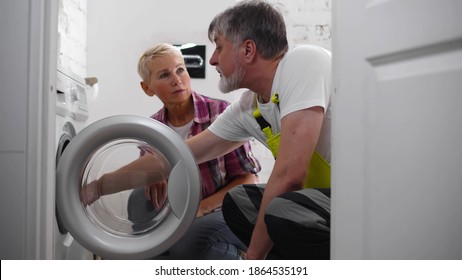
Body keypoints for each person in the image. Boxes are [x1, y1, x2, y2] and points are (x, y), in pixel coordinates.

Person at [81, 0, 331, 260]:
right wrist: (97, 187)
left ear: (248, 50)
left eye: (219, 47)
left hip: (349, 200)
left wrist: (253, 260)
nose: (212, 59)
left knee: (282, 209)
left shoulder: (302, 62)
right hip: (313, 201)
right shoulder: (250, 106)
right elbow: (175, 155)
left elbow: (290, 176)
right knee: (240, 202)